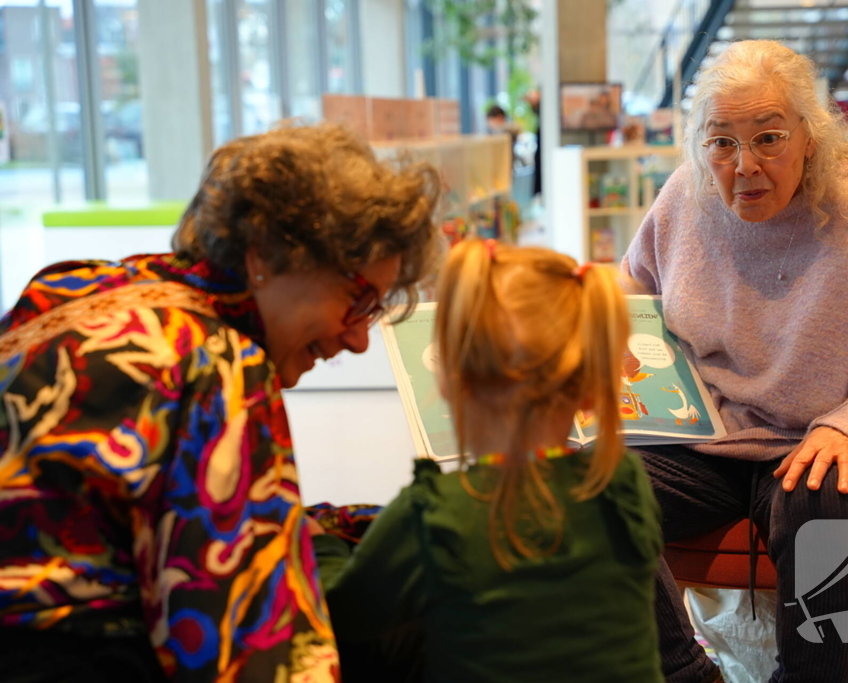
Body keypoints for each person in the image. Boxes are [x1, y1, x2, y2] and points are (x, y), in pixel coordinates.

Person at [0, 122, 441, 682]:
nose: (357, 340)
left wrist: (353, 526)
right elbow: (248, 648)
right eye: (358, 301)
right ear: (267, 255)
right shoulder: (214, 362)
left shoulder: (72, 288)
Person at [620, 40, 848, 683]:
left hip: (828, 439)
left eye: (769, 137)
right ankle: (683, 675)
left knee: (828, 494)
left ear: (811, 135)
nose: (744, 165)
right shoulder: (682, 199)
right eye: (720, 142)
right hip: (712, 444)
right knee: (590, 484)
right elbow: (631, 303)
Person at [316, 240, 665, 682]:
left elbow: (344, 616)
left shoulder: (435, 513)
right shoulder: (624, 482)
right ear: (590, 387)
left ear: (447, 378)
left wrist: (320, 544)